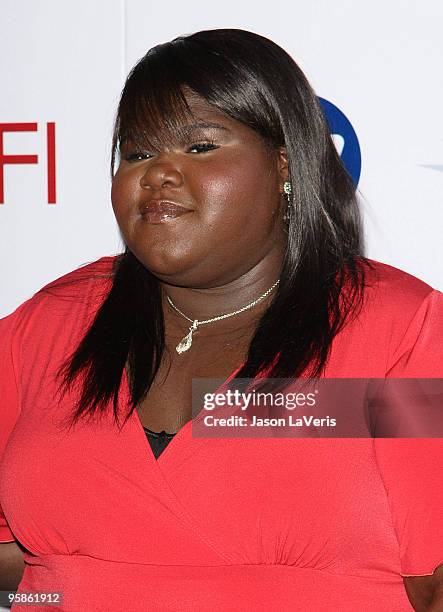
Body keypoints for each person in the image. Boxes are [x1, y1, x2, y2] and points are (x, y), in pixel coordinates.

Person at [0, 28, 442, 611]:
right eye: (136, 152)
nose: (157, 173)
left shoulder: (396, 330)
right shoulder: (52, 325)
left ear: (285, 165)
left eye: (200, 147)